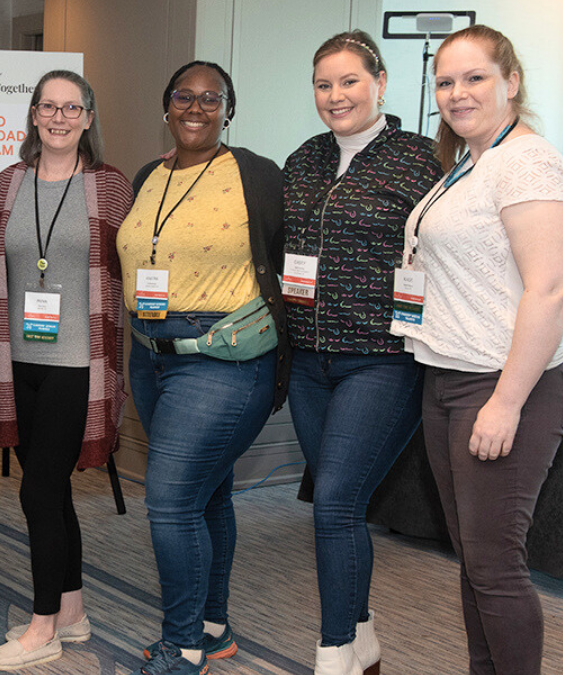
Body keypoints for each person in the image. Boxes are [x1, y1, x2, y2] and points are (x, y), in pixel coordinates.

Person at [390, 25, 563, 675]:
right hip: (448, 376)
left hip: (501, 381)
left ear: (511, 82)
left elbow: (549, 289)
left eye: (475, 78)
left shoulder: (527, 159)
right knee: (475, 560)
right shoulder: (470, 159)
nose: (457, 93)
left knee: (495, 566)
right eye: (445, 82)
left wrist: (507, 401)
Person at [282, 31, 442, 675]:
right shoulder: (304, 160)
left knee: (337, 502)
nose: (336, 95)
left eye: (349, 81)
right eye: (324, 84)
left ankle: (333, 653)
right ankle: (363, 634)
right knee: (337, 509)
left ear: (380, 82)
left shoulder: (422, 159)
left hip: (382, 359)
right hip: (307, 361)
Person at [123, 61, 288, 675]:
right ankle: (213, 625)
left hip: (222, 357)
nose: (196, 107)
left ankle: (184, 645)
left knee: (168, 502)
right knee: (206, 492)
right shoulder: (148, 175)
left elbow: (285, 256)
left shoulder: (254, 174)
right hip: (150, 354)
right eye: (183, 97)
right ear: (165, 106)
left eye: (210, 98)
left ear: (229, 109)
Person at [0, 70, 132, 671]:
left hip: (78, 363)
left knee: (38, 487)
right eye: (49, 106)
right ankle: (71, 612)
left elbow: (139, 250)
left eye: (72, 108)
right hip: (18, 360)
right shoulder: (6, 184)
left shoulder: (109, 185)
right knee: (53, 487)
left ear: (89, 118)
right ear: (34, 115)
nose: (59, 117)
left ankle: (40, 627)